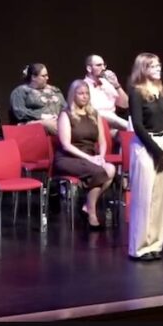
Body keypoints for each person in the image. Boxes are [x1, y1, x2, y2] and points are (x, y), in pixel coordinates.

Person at [126, 53, 163, 261]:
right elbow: (137, 125)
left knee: (159, 198)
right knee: (144, 198)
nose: (158, 69)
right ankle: (139, 247)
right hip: (146, 146)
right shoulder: (136, 92)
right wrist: (158, 152)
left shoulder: (161, 91)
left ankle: (155, 243)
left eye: (158, 65)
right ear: (143, 69)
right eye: (153, 66)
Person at [55, 79, 116, 230]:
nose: (84, 96)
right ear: (73, 95)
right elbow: (66, 145)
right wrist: (91, 159)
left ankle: (87, 206)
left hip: (91, 156)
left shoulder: (94, 114)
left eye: (86, 93)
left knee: (111, 169)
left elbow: (102, 141)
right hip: (69, 158)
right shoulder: (66, 114)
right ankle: (92, 214)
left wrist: (101, 157)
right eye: (80, 93)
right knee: (101, 172)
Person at [10, 63, 65, 135]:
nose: (47, 78)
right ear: (33, 77)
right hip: (34, 122)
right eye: (43, 76)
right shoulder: (20, 91)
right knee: (54, 126)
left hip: (56, 119)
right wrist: (42, 116)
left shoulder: (54, 90)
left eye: (47, 75)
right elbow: (20, 112)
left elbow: (65, 107)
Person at [83, 54, 130, 132]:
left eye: (104, 65)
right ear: (89, 68)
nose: (103, 68)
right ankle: (131, 128)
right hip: (96, 125)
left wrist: (116, 85)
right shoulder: (83, 86)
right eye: (99, 65)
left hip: (114, 124)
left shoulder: (107, 83)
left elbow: (125, 105)